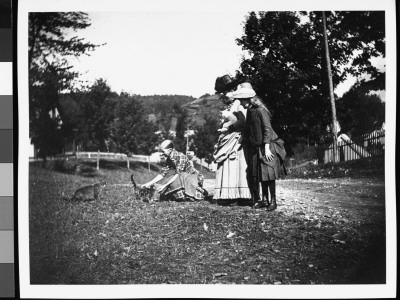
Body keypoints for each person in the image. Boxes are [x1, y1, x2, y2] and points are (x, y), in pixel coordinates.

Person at [231, 85, 287, 210]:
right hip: (258, 146)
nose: (241, 104)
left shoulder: (261, 110)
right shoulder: (251, 111)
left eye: (242, 101)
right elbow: (248, 128)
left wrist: (267, 147)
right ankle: (264, 199)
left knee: (269, 174)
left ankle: (273, 201)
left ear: (248, 99)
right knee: (261, 174)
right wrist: (240, 143)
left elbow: (267, 129)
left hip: (268, 145)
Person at [212, 75, 252, 204]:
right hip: (230, 136)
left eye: (228, 90)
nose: (226, 93)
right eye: (224, 91)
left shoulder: (238, 102)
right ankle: (228, 194)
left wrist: (228, 126)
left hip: (237, 138)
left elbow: (242, 122)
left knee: (237, 165)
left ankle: (240, 195)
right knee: (229, 165)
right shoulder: (229, 103)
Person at [141, 140, 208, 202]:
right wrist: (148, 184)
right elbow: (162, 174)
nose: (162, 154)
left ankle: (201, 191)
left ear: (170, 150)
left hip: (193, 177)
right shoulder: (168, 159)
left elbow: (178, 174)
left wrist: (164, 185)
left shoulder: (181, 156)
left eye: (163, 151)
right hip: (182, 178)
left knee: (192, 197)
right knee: (176, 195)